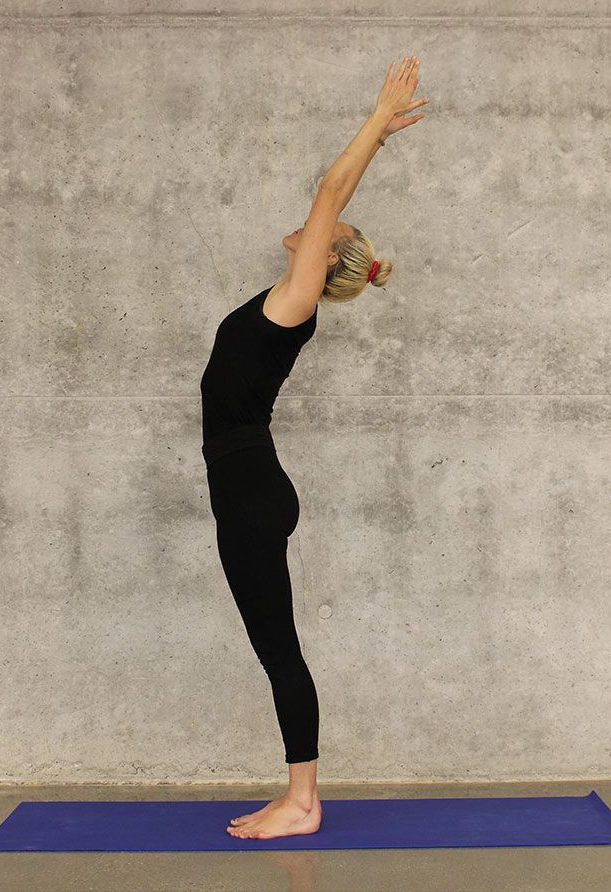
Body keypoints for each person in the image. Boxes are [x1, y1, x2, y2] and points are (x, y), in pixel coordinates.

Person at [200, 56, 429, 840]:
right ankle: (298, 795)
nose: (311, 222)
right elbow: (327, 202)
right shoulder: (284, 302)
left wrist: (375, 122)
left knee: (279, 654)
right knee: (276, 650)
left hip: (252, 490)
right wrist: (378, 135)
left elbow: (330, 194)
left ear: (327, 256)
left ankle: (303, 801)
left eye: (325, 234)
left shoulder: (298, 301)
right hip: (249, 485)